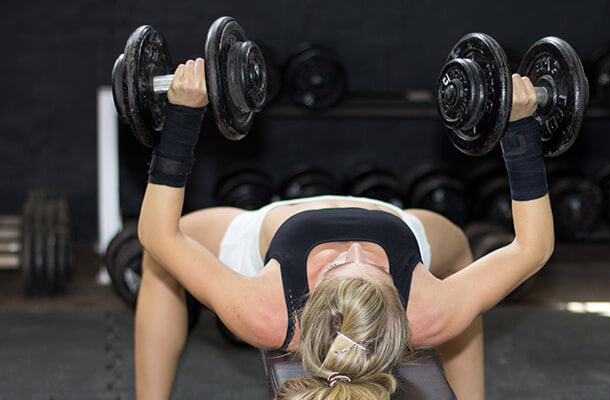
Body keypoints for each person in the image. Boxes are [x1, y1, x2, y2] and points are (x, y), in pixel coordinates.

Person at [135, 57, 554, 400]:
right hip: (399, 219)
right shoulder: (429, 311)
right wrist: (519, 127)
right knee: (461, 254)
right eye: (375, 267)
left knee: (160, 263)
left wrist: (184, 115)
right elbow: (532, 249)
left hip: (267, 228)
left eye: (336, 266)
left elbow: (158, 234)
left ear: (307, 304)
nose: (353, 249)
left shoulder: (264, 311)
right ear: (400, 305)